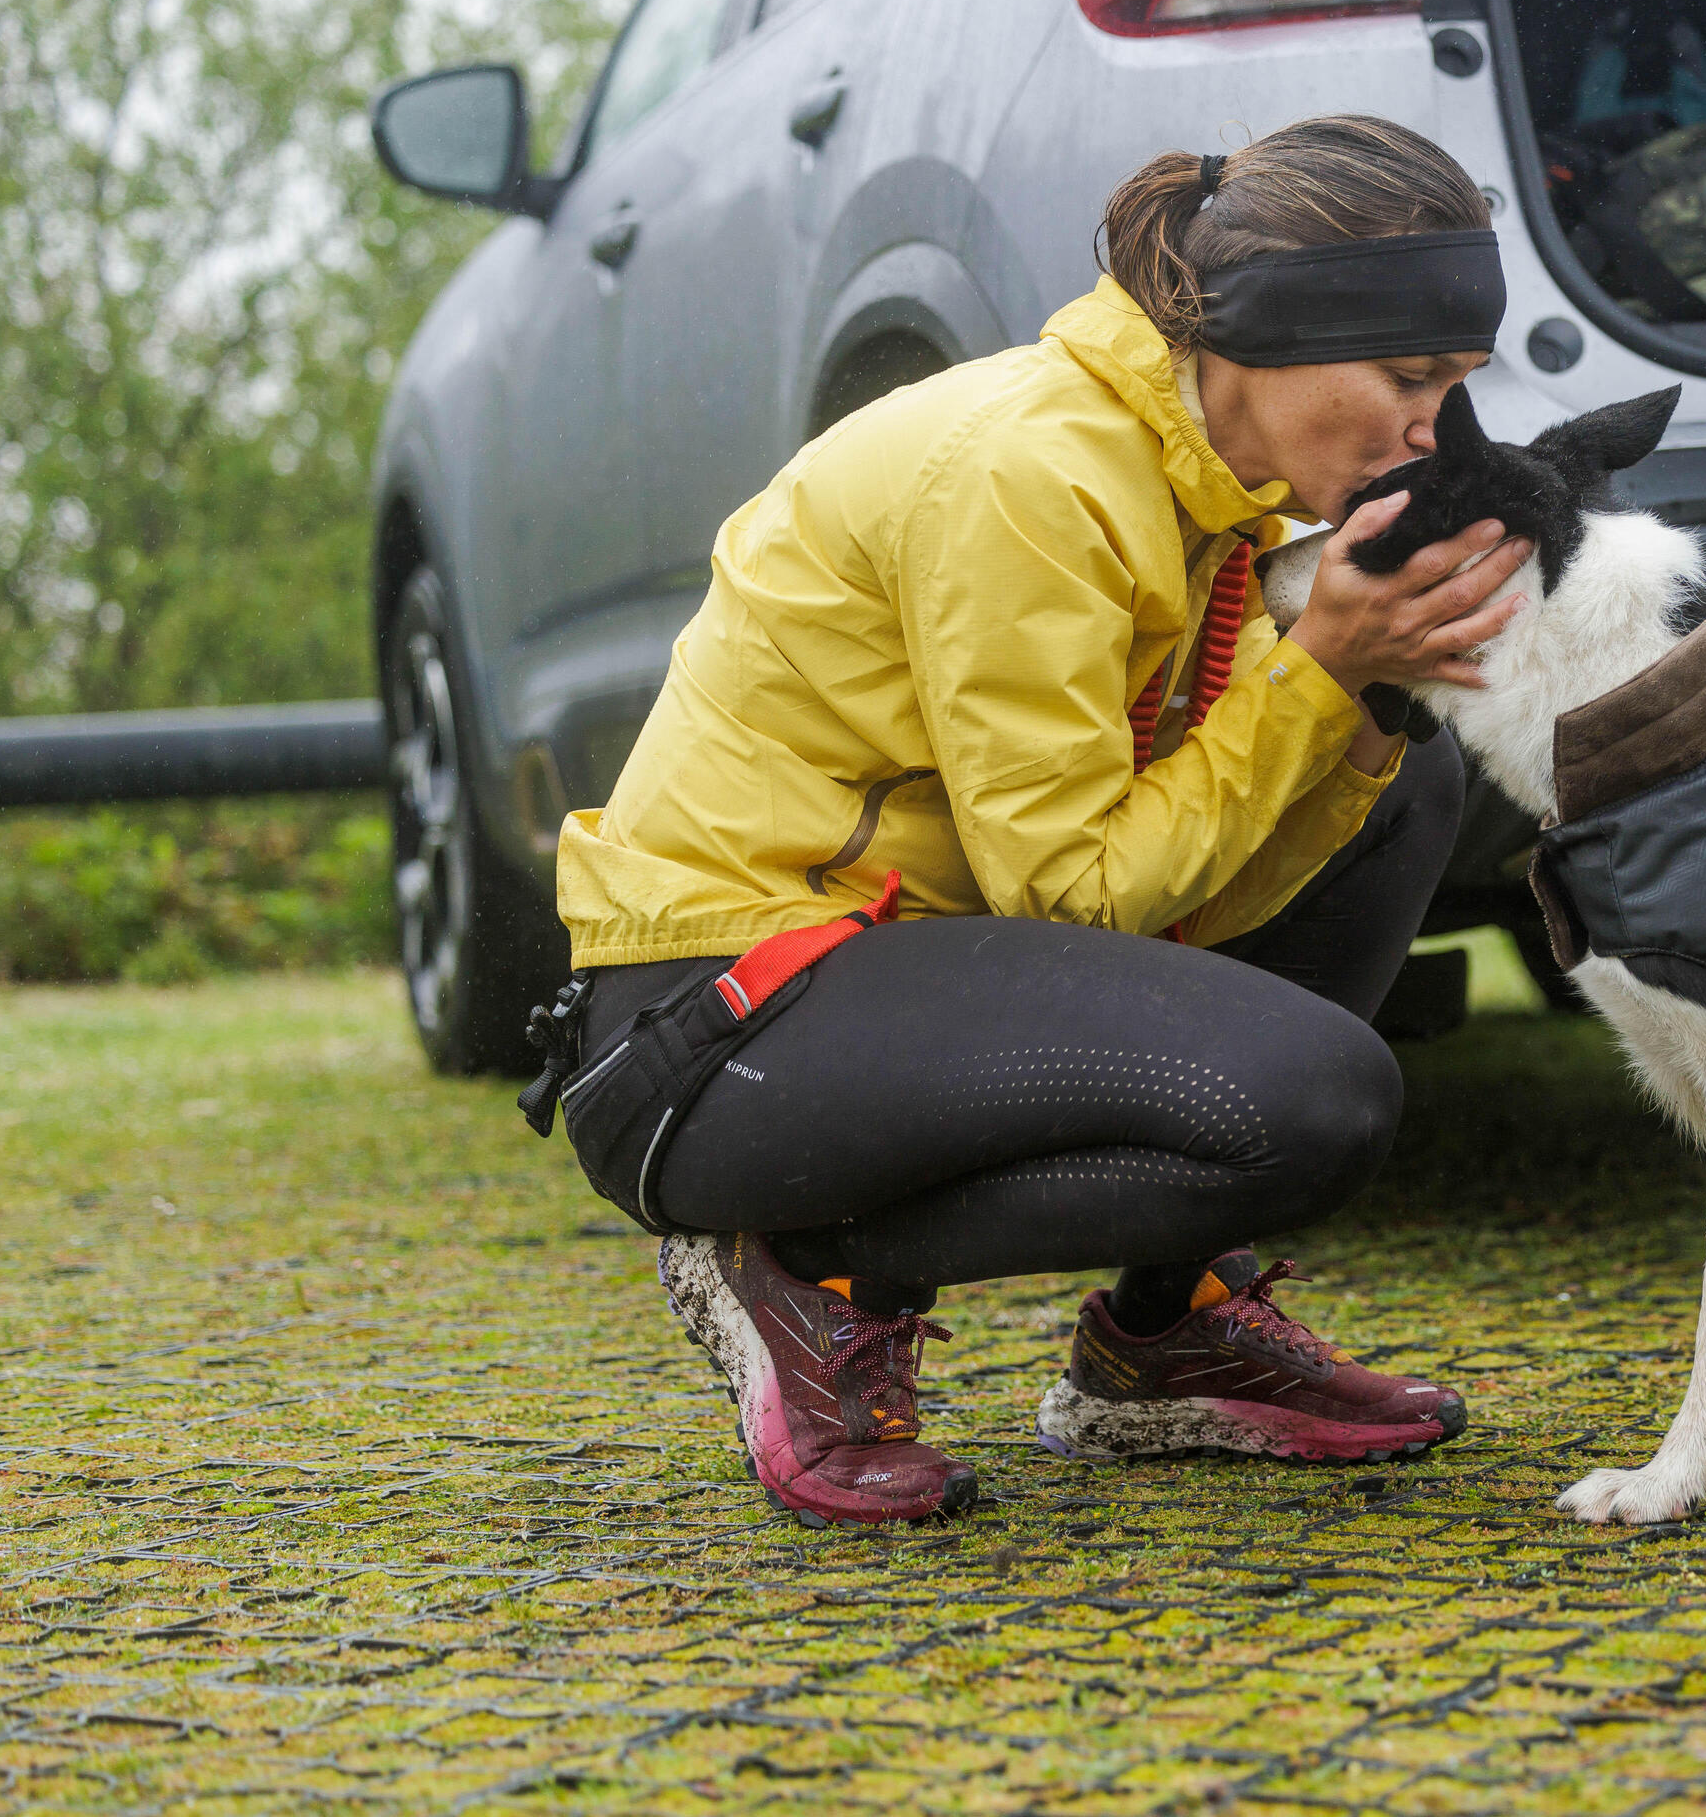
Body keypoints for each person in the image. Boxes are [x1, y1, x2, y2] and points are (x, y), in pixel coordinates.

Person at [541, 116, 1531, 1527]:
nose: (1439, 433)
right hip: (723, 1020)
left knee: (1393, 765)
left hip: (921, 959)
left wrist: (1355, 701)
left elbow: (1190, 877)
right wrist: (1314, 674)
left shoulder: (1204, 491)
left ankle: (1162, 1335)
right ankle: (801, 1267)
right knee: (1320, 1104)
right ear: (1270, 339)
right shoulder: (1030, 474)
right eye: (1412, 379)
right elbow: (1074, 900)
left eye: (1456, 385)